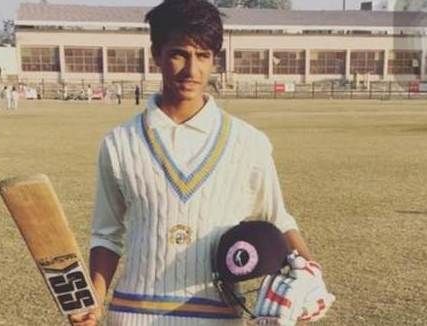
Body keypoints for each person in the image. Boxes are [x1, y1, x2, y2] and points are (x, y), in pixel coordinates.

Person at [70, 1, 331, 326]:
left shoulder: (249, 143)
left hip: (216, 318)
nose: (192, 70)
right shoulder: (120, 143)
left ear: (214, 60)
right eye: (179, 53)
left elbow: (277, 219)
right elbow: (107, 235)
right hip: (132, 316)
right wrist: (94, 297)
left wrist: (311, 275)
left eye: (203, 56)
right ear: (156, 54)